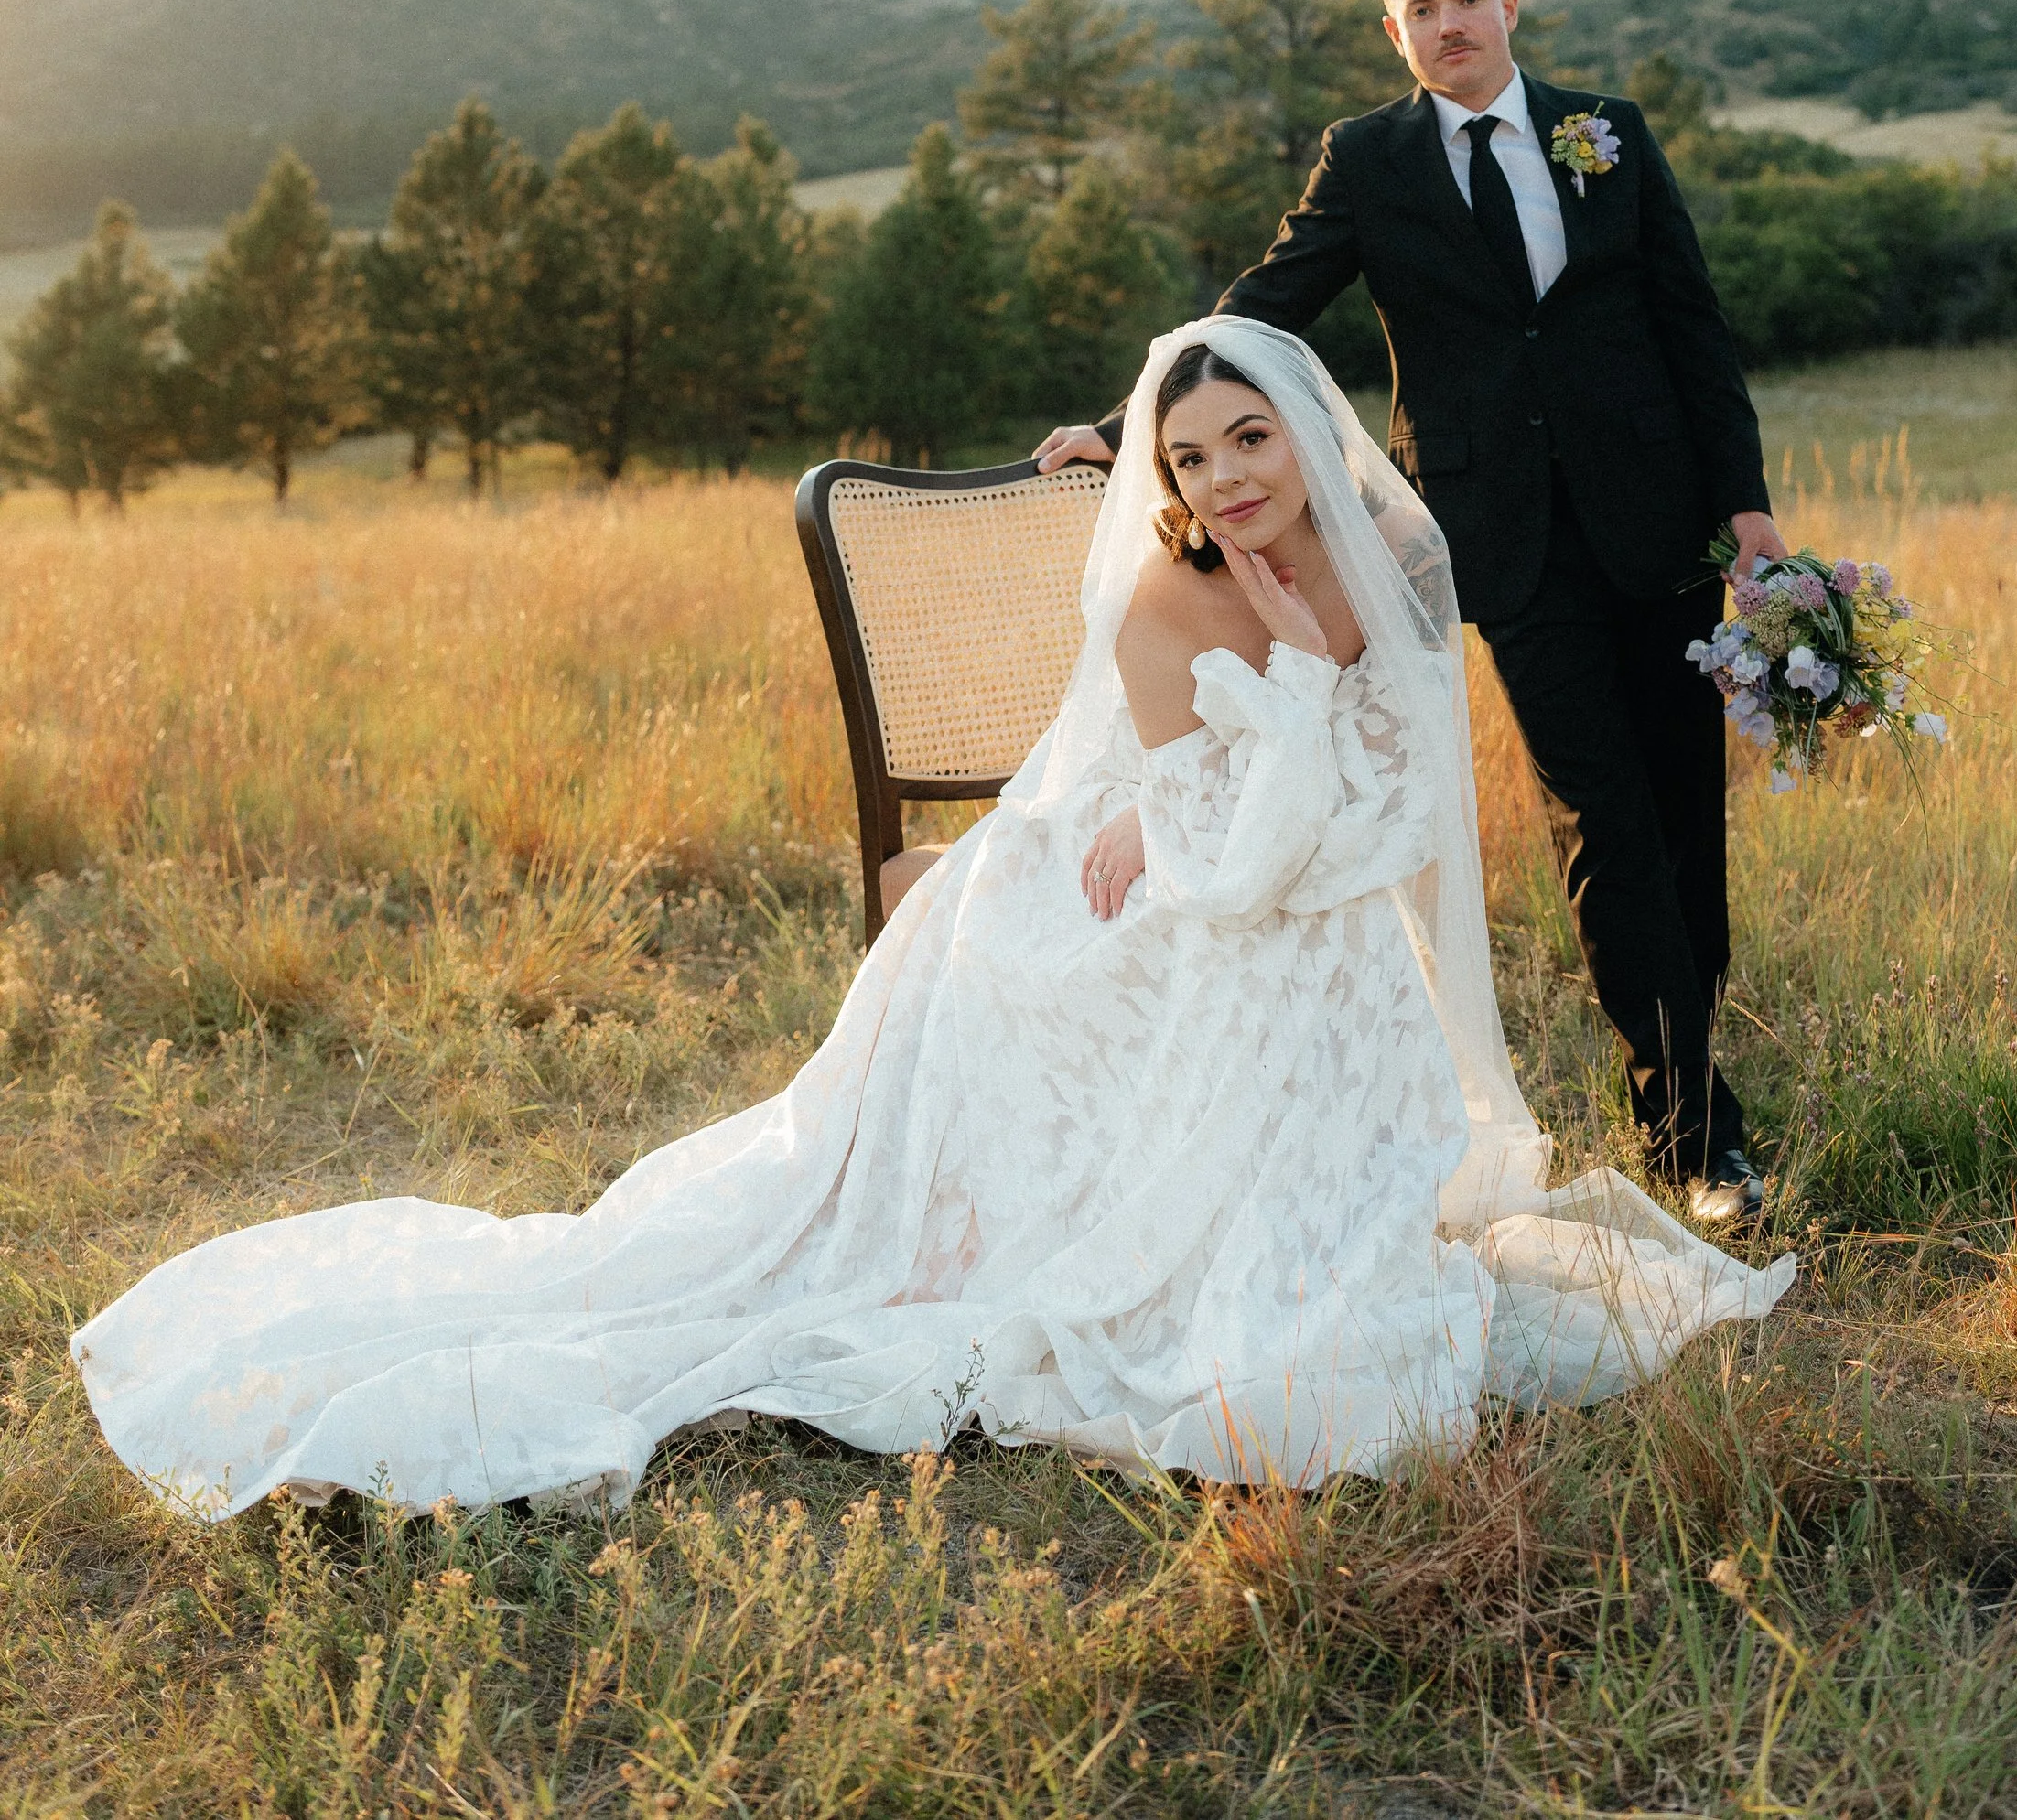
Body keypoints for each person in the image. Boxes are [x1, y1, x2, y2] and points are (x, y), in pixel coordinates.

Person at [76, 320, 1789, 1521]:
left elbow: (1405, 817)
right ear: (1161, 470)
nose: (1229, 476)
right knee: (1200, 1086)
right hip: (1119, 894)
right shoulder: (1165, 594)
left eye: (1252, 438)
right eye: (1191, 454)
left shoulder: (1392, 568)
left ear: (1309, 431)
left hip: (1255, 878)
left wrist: (1326, 681)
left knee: (1335, 1074)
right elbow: (1227, 863)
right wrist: (1282, 717)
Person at [1040, 0, 1784, 1230]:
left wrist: (1748, 509)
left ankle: (1695, 1068)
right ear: (1397, 33)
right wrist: (1131, 419)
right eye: (1420, 9)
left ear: (1510, 3)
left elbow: (1693, 326)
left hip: (1661, 525)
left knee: (1682, 816)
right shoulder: (1370, 160)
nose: (1448, 24)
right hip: (1503, 535)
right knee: (1601, 815)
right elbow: (1264, 304)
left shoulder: (1607, 130)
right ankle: (1694, 1136)